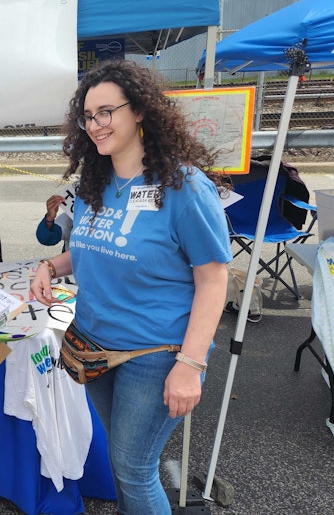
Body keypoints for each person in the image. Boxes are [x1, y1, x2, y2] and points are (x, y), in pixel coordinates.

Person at [30, 60, 231, 515]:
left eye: (107, 112)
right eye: (88, 116)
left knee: (134, 468)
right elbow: (89, 249)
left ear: (139, 110)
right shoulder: (93, 185)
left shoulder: (184, 187)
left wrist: (190, 364)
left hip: (156, 351)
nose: (96, 125)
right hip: (95, 342)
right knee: (124, 467)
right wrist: (50, 264)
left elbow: (214, 277)